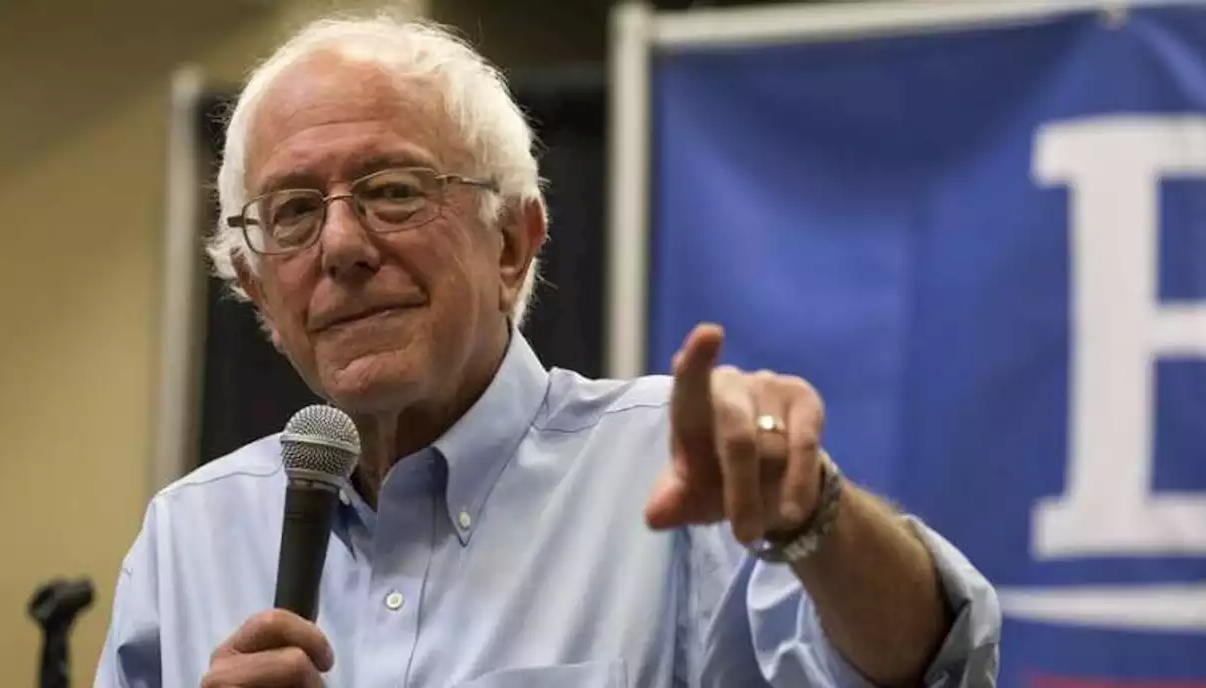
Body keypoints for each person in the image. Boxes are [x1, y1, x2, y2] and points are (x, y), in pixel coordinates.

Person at [94, 13, 1000, 688]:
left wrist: (815, 515)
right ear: (257, 289)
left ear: (512, 243)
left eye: (394, 189)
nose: (340, 246)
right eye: (292, 212)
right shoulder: (189, 537)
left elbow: (937, 665)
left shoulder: (673, 479)